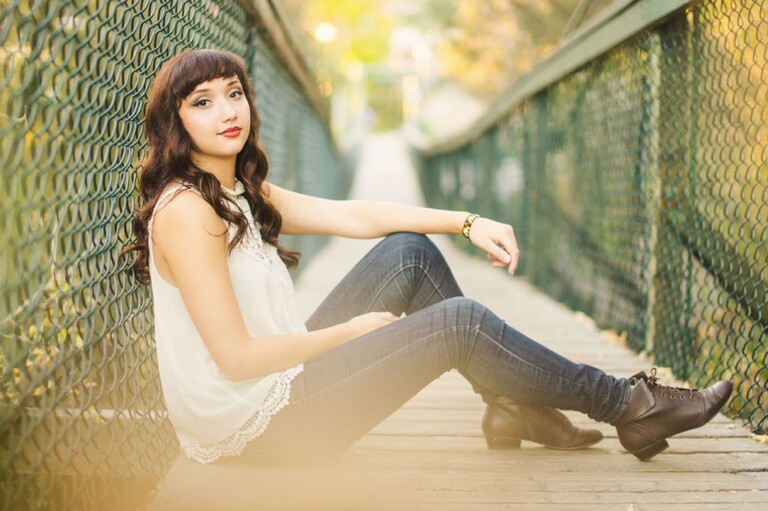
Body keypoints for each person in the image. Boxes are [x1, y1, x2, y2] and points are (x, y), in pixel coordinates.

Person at [123, 49, 732, 467]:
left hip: (278, 391)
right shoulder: (187, 211)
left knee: (410, 254)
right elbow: (236, 358)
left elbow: (357, 216)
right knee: (459, 323)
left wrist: (466, 222)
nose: (228, 112)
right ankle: (629, 404)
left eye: (234, 94)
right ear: (174, 122)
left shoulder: (235, 192)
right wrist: (349, 334)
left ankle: (516, 406)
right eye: (202, 102)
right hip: (262, 431)